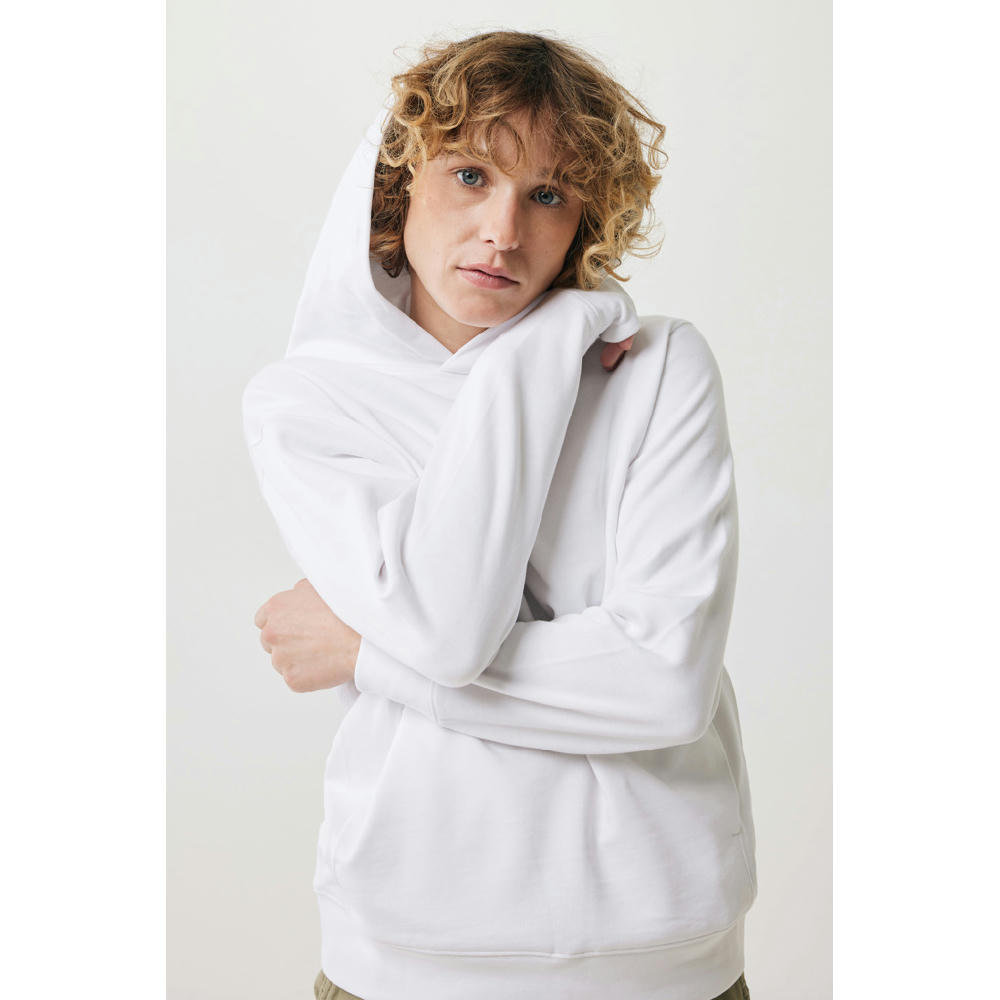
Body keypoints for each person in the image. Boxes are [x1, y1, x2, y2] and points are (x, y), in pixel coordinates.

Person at [243, 30, 757, 1000]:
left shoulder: (658, 369)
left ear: (585, 221)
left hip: (662, 960)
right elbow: (451, 625)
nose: (503, 230)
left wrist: (364, 654)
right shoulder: (308, 404)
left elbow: (661, 685)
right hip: (403, 954)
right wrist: (538, 350)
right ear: (398, 184)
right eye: (471, 175)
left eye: (548, 194)